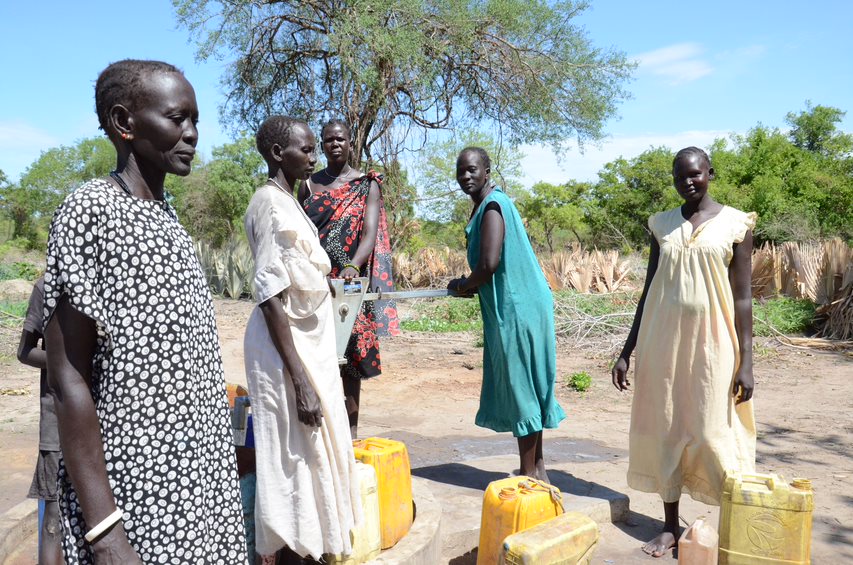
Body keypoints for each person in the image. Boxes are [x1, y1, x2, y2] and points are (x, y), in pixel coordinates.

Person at [43, 59, 246, 564]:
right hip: (135, 497)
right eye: (177, 119)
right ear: (124, 123)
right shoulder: (91, 211)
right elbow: (68, 379)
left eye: (196, 120)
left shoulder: (168, 217)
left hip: (197, 485)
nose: (192, 134)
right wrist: (106, 530)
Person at [611, 146, 756, 557]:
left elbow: (743, 298)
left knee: (714, 432)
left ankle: (734, 527)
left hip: (715, 347)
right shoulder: (662, 225)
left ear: (710, 172)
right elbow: (649, 290)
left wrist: (747, 361)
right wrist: (627, 349)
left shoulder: (736, 224)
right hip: (662, 344)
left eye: (695, 174)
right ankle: (670, 525)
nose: (688, 182)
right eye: (680, 177)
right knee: (668, 428)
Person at [244, 116, 361, 563]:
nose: (314, 157)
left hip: (307, 348)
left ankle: (315, 550)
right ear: (278, 153)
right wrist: (300, 381)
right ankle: (298, 554)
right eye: (306, 149)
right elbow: (271, 295)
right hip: (285, 354)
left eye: (315, 149)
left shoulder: (290, 202)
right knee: (296, 461)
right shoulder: (270, 206)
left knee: (314, 458)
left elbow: (299, 277)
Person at [447, 147, 565, 481]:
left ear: (487, 171)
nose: (465, 176)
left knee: (521, 387)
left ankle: (528, 479)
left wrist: (463, 284)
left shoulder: (493, 206)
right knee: (527, 383)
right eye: (460, 172)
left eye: (472, 170)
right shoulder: (489, 205)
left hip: (516, 308)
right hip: (521, 305)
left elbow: (488, 264)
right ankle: (538, 469)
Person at [298, 118, 399, 439]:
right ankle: (322, 427)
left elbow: (369, 233)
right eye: (328, 140)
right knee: (316, 350)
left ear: (350, 142)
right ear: (322, 146)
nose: (335, 144)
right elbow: (301, 232)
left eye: (340, 139)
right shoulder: (308, 185)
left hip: (350, 284)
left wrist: (353, 267)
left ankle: (350, 432)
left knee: (351, 357)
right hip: (314, 281)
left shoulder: (366, 184)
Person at [17, 276, 62, 565]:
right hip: (57, 427)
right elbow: (24, 351)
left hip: (104, 425)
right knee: (53, 524)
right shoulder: (45, 288)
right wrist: (66, 362)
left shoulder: (109, 285)